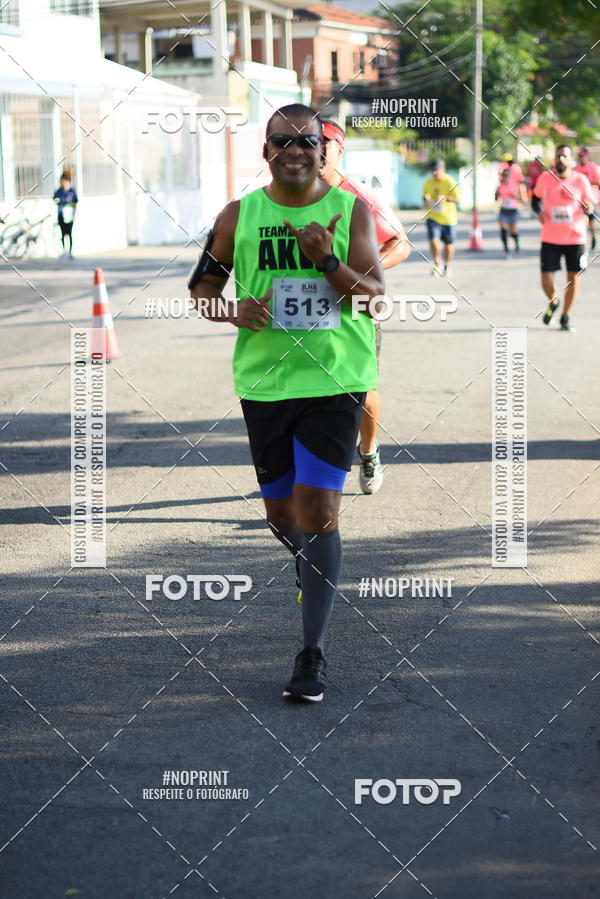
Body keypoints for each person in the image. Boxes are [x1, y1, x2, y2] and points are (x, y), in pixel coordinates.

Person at [188, 103, 384, 702]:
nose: (294, 150)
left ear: (323, 149)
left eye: (306, 141)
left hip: (334, 379)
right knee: (283, 518)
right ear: (265, 150)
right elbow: (202, 287)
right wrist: (231, 311)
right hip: (265, 384)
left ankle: (311, 653)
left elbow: (374, 296)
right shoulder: (238, 215)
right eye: (282, 141)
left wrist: (327, 258)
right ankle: (316, 568)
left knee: (320, 511)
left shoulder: (351, 210)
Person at [319, 117, 410, 496]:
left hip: (355, 309)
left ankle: (368, 450)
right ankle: (312, 472)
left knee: (360, 390)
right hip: (305, 312)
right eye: (309, 141)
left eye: (325, 143)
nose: (316, 149)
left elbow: (401, 244)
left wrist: (360, 274)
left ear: (341, 149)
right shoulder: (287, 196)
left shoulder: (362, 197)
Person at [532, 144, 595, 332]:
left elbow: (590, 204)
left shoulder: (581, 180)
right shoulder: (545, 178)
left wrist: (589, 209)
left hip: (575, 238)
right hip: (550, 237)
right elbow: (535, 199)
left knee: (573, 279)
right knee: (545, 279)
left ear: (571, 159)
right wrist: (539, 212)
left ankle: (566, 316)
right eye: (558, 155)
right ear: (554, 158)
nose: (561, 159)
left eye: (564, 156)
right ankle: (554, 301)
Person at [422, 158, 460, 277]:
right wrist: (427, 202)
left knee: (448, 244)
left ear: (443, 170)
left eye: (436, 170)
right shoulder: (428, 182)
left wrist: (446, 198)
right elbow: (424, 198)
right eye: (432, 170)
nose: (434, 173)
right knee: (433, 240)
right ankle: (437, 263)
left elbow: (458, 199)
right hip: (433, 217)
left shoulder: (450, 181)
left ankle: (447, 265)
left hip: (449, 218)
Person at [495, 167, 527, 258]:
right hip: (503, 211)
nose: (506, 177)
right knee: (503, 231)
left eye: (507, 175)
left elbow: (522, 198)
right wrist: (497, 194)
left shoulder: (515, 186)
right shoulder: (500, 186)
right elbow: (496, 198)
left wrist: (514, 196)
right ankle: (506, 250)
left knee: (513, 232)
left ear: (510, 176)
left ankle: (517, 243)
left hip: (513, 211)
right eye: (504, 175)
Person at [574, 147, 600, 251]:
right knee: (582, 220)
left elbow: (598, 182)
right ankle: (582, 241)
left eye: (583, 156)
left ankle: (594, 237)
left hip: (592, 198)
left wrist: (586, 182)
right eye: (580, 156)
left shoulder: (593, 167)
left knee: (591, 221)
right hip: (580, 199)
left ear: (587, 156)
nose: (582, 158)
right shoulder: (576, 168)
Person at [53, 169, 78, 260]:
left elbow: (75, 203)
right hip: (61, 215)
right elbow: (55, 199)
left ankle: (70, 253)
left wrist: (74, 214)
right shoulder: (59, 191)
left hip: (70, 215)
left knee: (69, 234)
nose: (63, 182)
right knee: (63, 234)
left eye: (64, 181)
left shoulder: (72, 191)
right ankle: (64, 252)